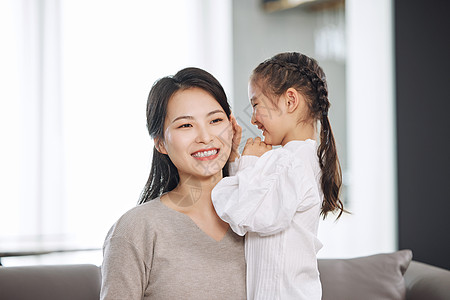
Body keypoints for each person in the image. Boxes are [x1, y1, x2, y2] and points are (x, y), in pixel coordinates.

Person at [100, 67, 246, 299]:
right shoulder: (136, 230)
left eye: (216, 120)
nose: (205, 137)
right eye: (185, 125)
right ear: (160, 143)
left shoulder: (259, 219)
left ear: (232, 127)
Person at [212, 52, 346, 299]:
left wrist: (251, 161)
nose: (252, 118)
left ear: (290, 100)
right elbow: (257, 200)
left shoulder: (289, 162)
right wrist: (234, 159)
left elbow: (243, 213)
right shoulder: (302, 158)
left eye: (255, 105)